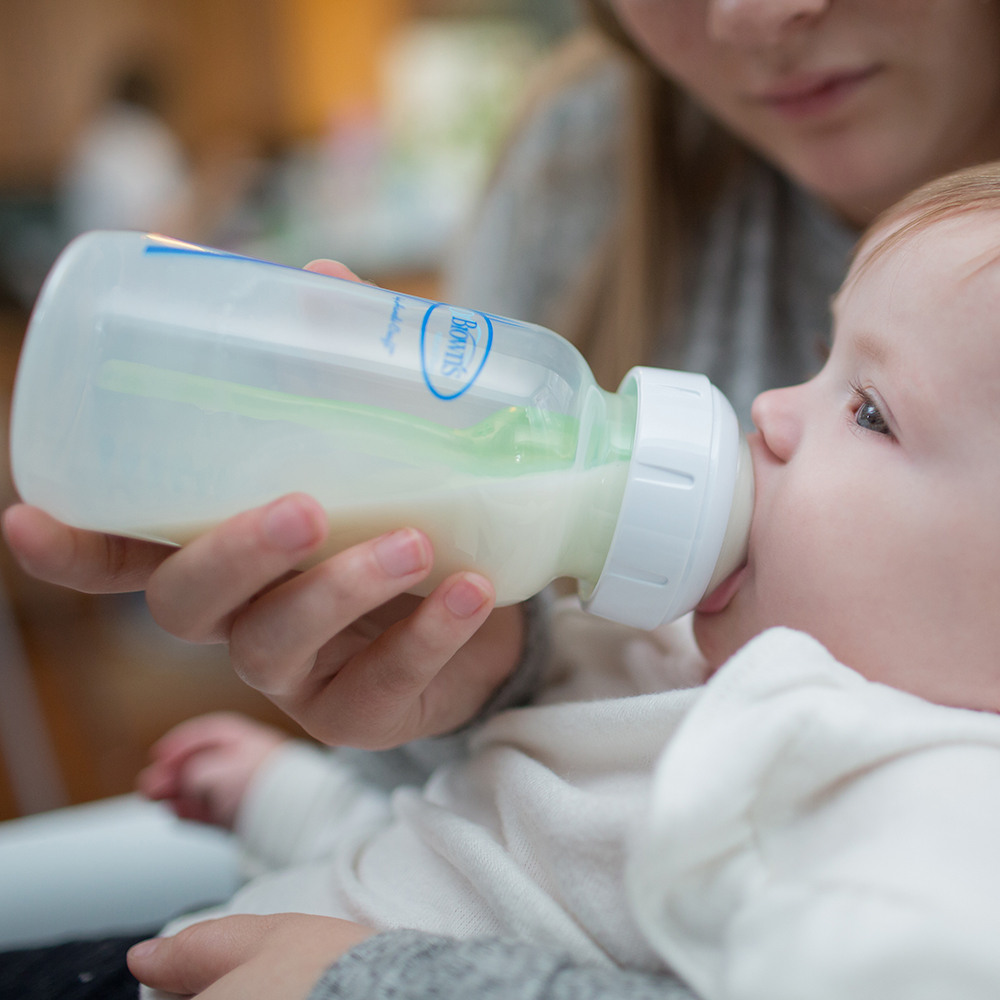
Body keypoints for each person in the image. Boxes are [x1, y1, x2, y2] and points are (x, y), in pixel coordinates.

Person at [4, 0, 1000, 997]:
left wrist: (389, 984)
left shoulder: (912, 801)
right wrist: (301, 786)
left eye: (867, 410)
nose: (772, 407)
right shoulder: (690, 671)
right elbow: (493, 851)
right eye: (823, 364)